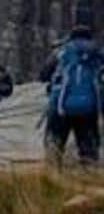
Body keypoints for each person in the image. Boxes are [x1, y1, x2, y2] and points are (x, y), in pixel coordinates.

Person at [41, 23, 103, 164]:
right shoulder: (97, 52)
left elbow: (44, 74)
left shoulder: (61, 51)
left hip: (60, 105)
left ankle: (52, 176)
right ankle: (88, 175)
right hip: (89, 107)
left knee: (55, 143)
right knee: (88, 146)